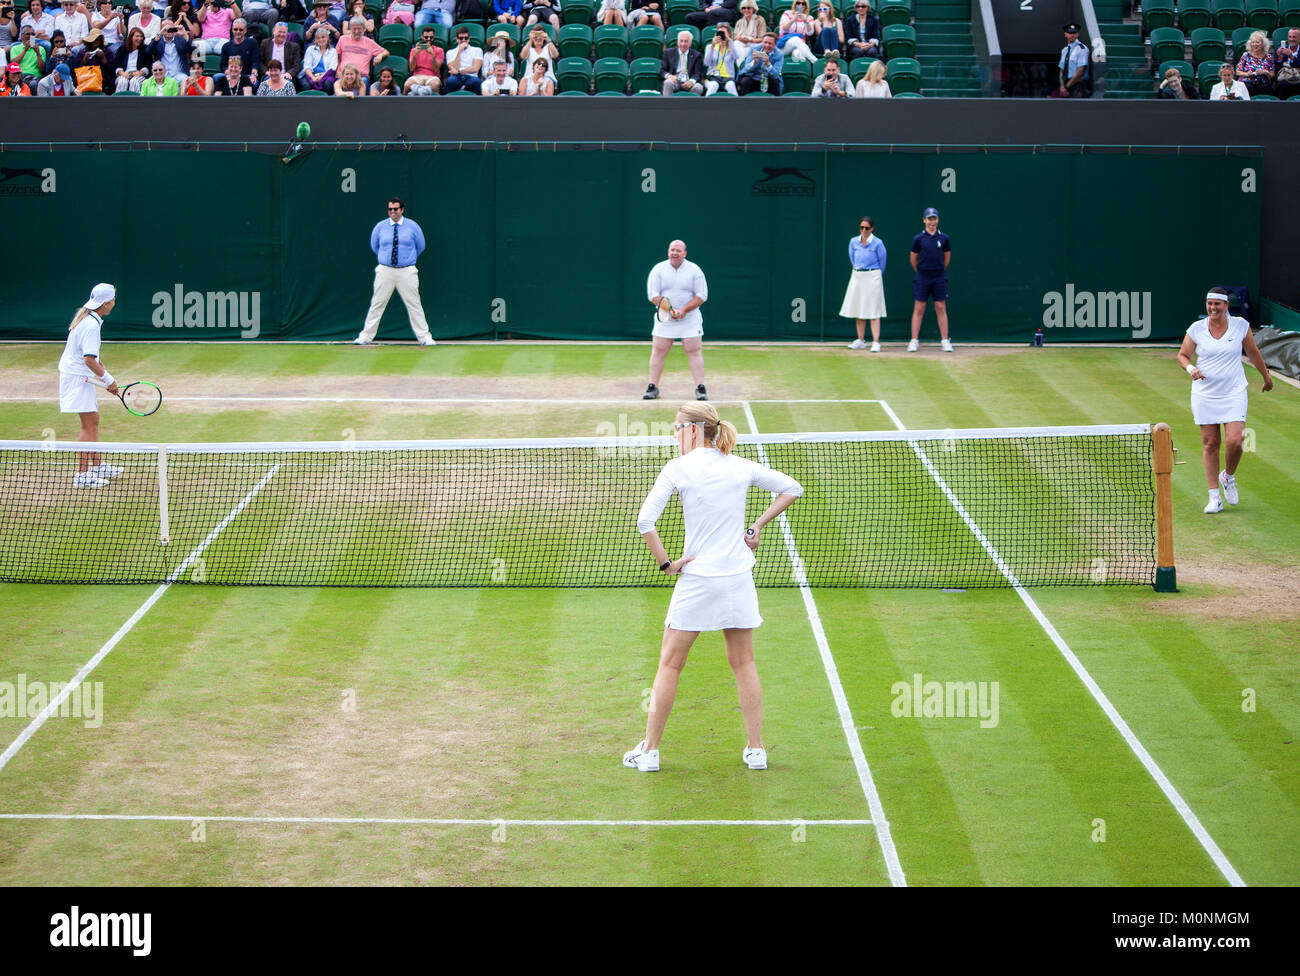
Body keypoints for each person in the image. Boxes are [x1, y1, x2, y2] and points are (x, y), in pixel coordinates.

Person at [624, 401, 803, 773]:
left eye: (676, 427)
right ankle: (756, 750)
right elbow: (791, 488)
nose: (673, 434)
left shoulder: (678, 469)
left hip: (698, 581)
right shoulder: (739, 466)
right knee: (744, 662)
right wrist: (756, 527)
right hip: (737, 579)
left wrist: (666, 564)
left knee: (670, 664)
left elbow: (645, 520)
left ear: (692, 429)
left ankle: (650, 752)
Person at [1177, 287, 1272, 514]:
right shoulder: (1196, 329)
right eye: (1209, 304)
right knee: (1210, 444)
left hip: (1234, 392)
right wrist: (1191, 368)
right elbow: (1183, 355)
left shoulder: (1240, 326)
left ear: (1226, 306)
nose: (1212, 308)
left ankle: (1228, 476)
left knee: (1236, 441)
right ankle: (1214, 497)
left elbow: (1253, 352)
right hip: (1205, 394)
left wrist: (1266, 377)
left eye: (1217, 304)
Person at [59, 283, 123, 490]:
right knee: (88, 424)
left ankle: (97, 466)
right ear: (106, 304)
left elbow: (93, 358)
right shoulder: (91, 326)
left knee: (93, 420)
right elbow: (89, 360)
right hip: (77, 378)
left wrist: (107, 377)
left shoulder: (89, 320)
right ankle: (83, 474)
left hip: (79, 376)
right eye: (113, 300)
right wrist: (109, 380)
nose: (114, 303)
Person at [354, 198, 436, 346]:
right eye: (390, 209)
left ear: (402, 210)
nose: (393, 212)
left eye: (396, 209)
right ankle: (366, 336)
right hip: (385, 270)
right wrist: (386, 259)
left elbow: (420, 246)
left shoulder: (412, 226)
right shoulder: (380, 227)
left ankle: (424, 337)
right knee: (377, 303)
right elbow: (375, 246)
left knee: (414, 304)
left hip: (407, 271)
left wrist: (406, 258)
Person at [644, 240, 708, 401]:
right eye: (672, 250)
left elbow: (702, 295)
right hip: (665, 317)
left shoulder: (695, 270)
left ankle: (700, 388)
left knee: (694, 350)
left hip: (690, 318)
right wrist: (669, 310)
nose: (675, 253)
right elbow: (653, 295)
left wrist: (684, 310)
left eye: (678, 250)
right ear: (668, 252)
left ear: (684, 253)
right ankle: (652, 387)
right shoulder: (658, 269)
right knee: (658, 350)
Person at [908, 207, 951, 352]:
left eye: (934, 218)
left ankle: (945, 341)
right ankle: (914, 341)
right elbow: (913, 258)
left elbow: (947, 257)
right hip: (922, 277)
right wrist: (921, 270)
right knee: (919, 308)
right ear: (924, 220)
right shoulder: (918, 239)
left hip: (939, 277)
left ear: (937, 220)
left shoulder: (944, 238)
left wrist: (940, 270)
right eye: (929, 218)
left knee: (940, 307)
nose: (932, 221)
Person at [841, 215, 886, 352]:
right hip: (857, 276)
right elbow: (852, 258)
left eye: (867, 228)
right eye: (862, 228)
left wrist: (874, 275)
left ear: (871, 228)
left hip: (873, 276)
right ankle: (860, 340)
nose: (864, 230)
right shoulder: (853, 242)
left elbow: (882, 261)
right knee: (858, 308)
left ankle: (876, 342)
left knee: (874, 309)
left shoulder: (878, 243)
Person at [660, 28, 703, 95]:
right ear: (677, 41)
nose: (683, 44)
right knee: (668, 83)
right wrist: (669, 76)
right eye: (681, 41)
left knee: (698, 87)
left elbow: (698, 73)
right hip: (675, 80)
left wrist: (692, 81)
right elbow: (662, 70)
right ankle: (667, 105)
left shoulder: (697, 55)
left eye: (686, 41)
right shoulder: (668, 52)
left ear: (690, 43)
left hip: (688, 80)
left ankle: (690, 105)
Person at [736, 29, 780, 94]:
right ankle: (743, 103)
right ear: (762, 42)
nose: (767, 45)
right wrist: (754, 62)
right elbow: (746, 69)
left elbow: (776, 75)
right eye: (765, 42)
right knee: (745, 81)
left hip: (768, 78)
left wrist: (768, 64)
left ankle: (774, 104)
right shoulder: (754, 49)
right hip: (753, 77)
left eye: (770, 43)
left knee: (775, 82)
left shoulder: (779, 55)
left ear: (775, 44)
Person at [403, 22, 441, 93]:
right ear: (422, 37)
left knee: (435, 85)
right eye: (426, 37)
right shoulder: (414, 50)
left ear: (434, 37)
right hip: (417, 75)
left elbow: (436, 69)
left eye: (431, 37)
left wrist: (432, 54)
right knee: (407, 85)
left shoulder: (439, 50)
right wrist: (415, 55)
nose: (428, 39)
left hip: (432, 76)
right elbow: (411, 69)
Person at [443, 24, 481, 93]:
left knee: (476, 82)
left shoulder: (477, 50)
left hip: (471, 76)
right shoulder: (450, 52)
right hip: (456, 77)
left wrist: (459, 72)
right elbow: (454, 68)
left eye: (466, 38)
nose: (464, 40)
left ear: (469, 39)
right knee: (450, 81)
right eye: (461, 38)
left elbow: (475, 69)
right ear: (457, 39)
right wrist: (459, 51)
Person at [1235, 30, 1274, 98]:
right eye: (1253, 42)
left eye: (1257, 42)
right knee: (1248, 87)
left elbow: (1272, 74)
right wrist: (1247, 74)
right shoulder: (1246, 55)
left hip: (1262, 82)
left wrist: (1265, 72)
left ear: (1263, 44)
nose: (1254, 44)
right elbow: (1237, 72)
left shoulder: (1269, 57)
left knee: (1265, 87)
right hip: (1247, 81)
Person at [703, 21, 738, 95]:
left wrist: (729, 40)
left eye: (724, 33)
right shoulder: (710, 47)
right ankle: (705, 105)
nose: (722, 35)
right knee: (714, 85)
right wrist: (712, 46)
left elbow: (736, 56)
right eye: (720, 33)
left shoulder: (732, 47)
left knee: (731, 85)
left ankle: (737, 105)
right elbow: (706, 63)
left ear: (729, 34)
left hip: (727, 78)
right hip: (713, 77)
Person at [1056, 22, 1088, 98]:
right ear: (1065, 34)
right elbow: (1061, 70)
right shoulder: (1064, 50)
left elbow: (1080, 71)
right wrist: (1062, 86)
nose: (1072, 35)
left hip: (1076, 84)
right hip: (1065, 86)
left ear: (1077, 34)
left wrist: (1067, 87)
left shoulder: (1082, 49)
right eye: (1069, 33)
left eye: (1074, 33)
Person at [1275, 27, 1300, 100]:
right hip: (1285, 77)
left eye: (1294, 37)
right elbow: (1276, 68)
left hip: (1298, 77)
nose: (1291, 39)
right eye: (1290, 37)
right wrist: (1280, 57)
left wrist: (1291, 57)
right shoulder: (1280, 48)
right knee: (1283, 85)